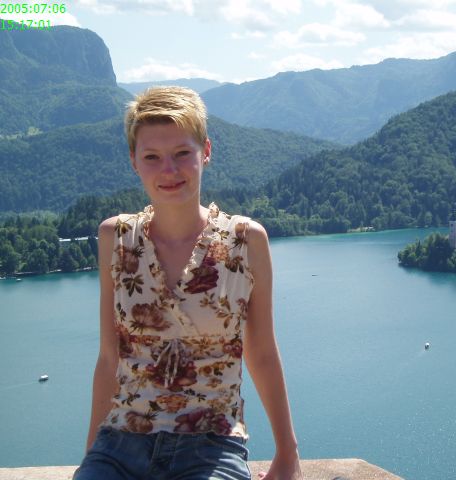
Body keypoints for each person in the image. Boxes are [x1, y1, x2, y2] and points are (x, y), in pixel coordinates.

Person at [74, 86, 302, 480]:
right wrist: (92, 458)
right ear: (133, 161)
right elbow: (109, 358)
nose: (169, 170)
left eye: (182, 153)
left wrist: (287, 453)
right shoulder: (116, 238)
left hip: (211, 445)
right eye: (152, 157)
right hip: (121, 443)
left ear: (205, 151)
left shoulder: (245, 241)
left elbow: (262, 351)